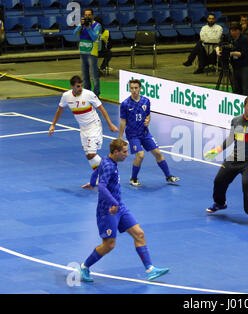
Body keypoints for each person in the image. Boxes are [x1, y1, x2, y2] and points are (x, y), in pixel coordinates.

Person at [78, 138, 169, 282]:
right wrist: (113, 202)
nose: (127, 154)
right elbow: (102, 187)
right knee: (109, 245)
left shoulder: (108, 162)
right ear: (116, 152)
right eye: (125, 152)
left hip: (119, 207)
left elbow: (98, 170)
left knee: (139, 234)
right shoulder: (109, 165)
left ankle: (150, 269)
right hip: (108, 210)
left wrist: (92, 180)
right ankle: (84, 267)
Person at [204, 96, 248, 227]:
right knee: (218, 180)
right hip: (235, 158)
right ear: (244, 106)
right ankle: (220, 203)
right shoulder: (236, 121)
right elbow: (230, 139)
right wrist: (217, 150)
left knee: (246, 183)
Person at [48, 75, 118, 188]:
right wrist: (53, 124)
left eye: (81, 86)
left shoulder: (89, 94)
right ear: (72, 87)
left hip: (94, 126)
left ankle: (110, 170)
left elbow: (101, 108)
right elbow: (60, 110)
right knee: (89, 156)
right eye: (78, 86)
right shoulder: (66, 96)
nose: (80, 88)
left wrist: (110, 124)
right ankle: (101, 176)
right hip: (83, 129)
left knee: (91, 154)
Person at [119, 79, 180, 186]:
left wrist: (148, 120)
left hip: (145, 133)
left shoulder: (146, 101)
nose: (134, 90)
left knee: (158, 153)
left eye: (136, 88)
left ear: (140, 88)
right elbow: (123, 121)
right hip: (133, 135)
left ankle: (168, 176)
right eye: (132, 88)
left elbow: (148, 114)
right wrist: (120, 138)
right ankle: (133, 178)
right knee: (140, 155)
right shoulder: (125, 104)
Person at [217, 22, 248, 96]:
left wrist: (232, 53)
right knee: (236, 87)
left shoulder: (244, 39)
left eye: (234, 30)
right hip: (234, 65)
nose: (232, 32)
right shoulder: (228, 37)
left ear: (238, 31)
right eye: (231, 30)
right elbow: (219, 45)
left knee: (245, 86)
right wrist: (218, 51)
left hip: (244, 65)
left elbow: (243, 54)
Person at [74, 8, 102, 96]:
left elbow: (94, 37)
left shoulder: (97, 25)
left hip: (92, 53)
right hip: (83, 52)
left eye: (89, 15)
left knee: (94, 75)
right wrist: (80, 26)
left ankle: (96, 93)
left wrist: (88, 28)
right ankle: (87, 92)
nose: (87, 17)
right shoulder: (81, 25)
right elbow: (74, 34)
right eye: (85, 15)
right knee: (85, 75)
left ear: (92, 16)